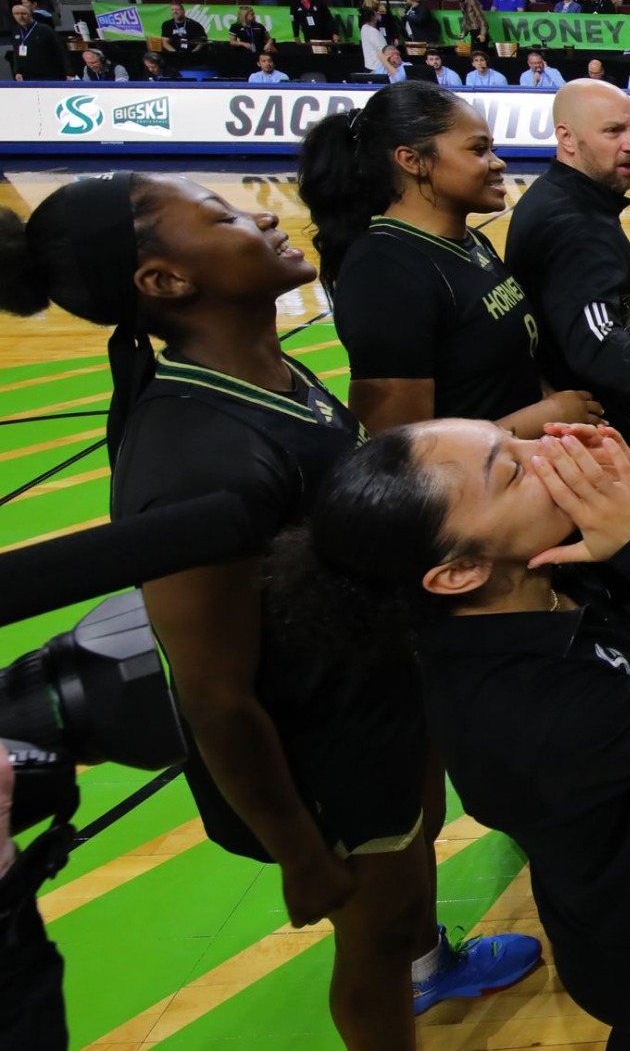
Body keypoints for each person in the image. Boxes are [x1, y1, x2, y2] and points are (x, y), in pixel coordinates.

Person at [0, 174, 542, 1049]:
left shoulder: (265, 371)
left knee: (403, 908)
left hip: (375, 703)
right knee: (372, 949)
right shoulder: (195, 454)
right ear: (165, 281)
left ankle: (431, 956)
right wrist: (297, 848)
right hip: (324, 756)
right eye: (219, 217)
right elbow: (211, 690)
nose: (259, 213)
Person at [270, 417, 630, 1049]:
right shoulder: (521, 714)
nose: (550, 449)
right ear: (461, 569)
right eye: (514, 469)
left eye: (516, 435)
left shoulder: (546, 580)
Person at [298, 81, 599, 437]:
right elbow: (397, 454)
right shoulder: (383, 272)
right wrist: (543, 417)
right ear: (412, 160)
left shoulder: (471, 240)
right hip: (473, 487)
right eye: (478, 150)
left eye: (493, 149)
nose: (497, 162)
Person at [505, 80, 630, 457]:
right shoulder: (575, 224)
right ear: (567, 138)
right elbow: (600, 347)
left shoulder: (568, 198)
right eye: (613, 131)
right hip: (595, 446)